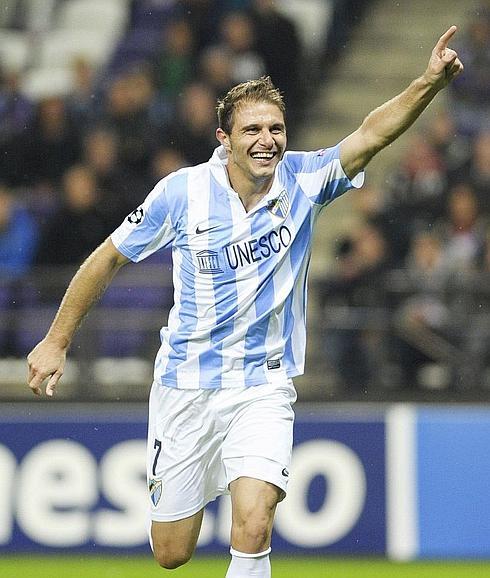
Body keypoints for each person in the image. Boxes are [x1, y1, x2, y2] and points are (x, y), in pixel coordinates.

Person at [27, 27, 463, 577]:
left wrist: (426, 83)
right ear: (223, 138)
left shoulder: (303, 180)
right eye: (252, 128)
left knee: (254, 524)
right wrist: (56, 339)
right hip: (186, 386)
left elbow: (370, 135)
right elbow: (107, 258)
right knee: (171, 552)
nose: (267, 139)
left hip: (263, 384)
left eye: (276, 128)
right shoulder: (181, 193)